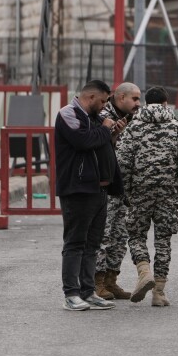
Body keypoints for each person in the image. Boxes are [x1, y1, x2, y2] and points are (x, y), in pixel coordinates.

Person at [116, 86, 178, 307]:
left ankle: (144, 271)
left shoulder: (134, 128)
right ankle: (159, 292)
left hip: (140, 191)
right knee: (163, 241)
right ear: (165, 103)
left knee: (136, 234)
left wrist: (127, 190)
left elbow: (123, 162)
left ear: (145, 102)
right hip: (168, 192)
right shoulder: (177, 128)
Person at [55, 80, 122, 311]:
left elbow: (99, 146)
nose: (104, 106)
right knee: (75, 242)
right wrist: (104, 129)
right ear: (91, 97)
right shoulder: (68, 113)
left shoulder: (93, 118)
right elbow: (83, 141)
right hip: (78, 189)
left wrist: (111, 136)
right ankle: (71, 294)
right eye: (103, 101)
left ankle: (87, 291)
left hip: (99, 190)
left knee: (93, 244)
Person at [95, 82, 141, 301]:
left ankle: (112, 280)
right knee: (104, 233)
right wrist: (112, 135)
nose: (138, 104)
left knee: (120, 235)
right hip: (108, 184)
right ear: (120, 97)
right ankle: (97, 282)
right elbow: (97, 147)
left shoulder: (134, 118)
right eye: (134, 99)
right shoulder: (104, 116)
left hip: (125, 185)